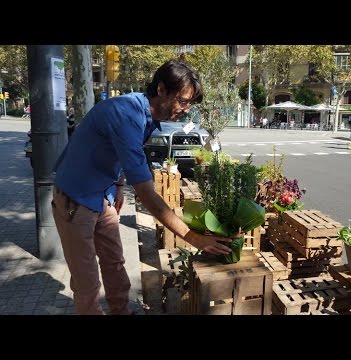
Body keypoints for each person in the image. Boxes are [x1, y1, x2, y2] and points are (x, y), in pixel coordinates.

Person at [51, 60, 232, 315]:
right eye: (182, 100)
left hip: (101, 196)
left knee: (115, 263)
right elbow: (147, 195)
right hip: (75, 201)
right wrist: (193, 238)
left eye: (190, 103)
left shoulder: (144, 113)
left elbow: (122, 153)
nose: (186, 109)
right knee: (87, 283)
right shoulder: (126, 113)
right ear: (161, 89)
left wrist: (118, 182)